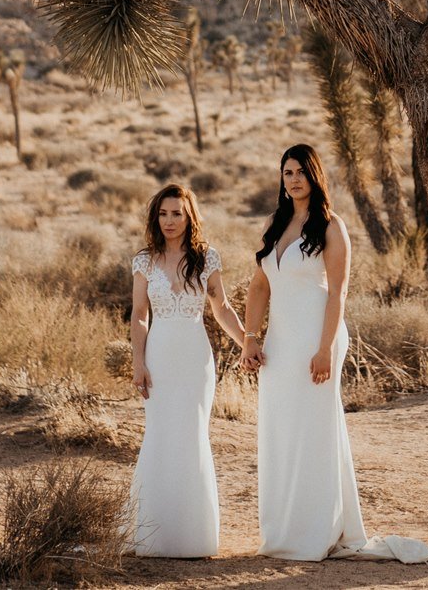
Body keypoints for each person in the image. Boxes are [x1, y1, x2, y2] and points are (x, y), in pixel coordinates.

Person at [242, 143, 372, 560]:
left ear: (314, 175)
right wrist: (250, 337)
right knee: (281, 431)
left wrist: (325, 348)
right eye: (286, 173)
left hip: (318, 338)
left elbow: (338, 293)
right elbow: (260, 286)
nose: (293, 179)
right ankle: (283, 529)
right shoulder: (274, 223)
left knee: (315, 432)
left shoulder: (331, 226)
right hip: (280, 341)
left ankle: (319, 529)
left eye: (300, 171)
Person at [125, 182, 248, 558]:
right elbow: (140, 315)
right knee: (161, 435)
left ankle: (192, 537)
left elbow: (222, 308)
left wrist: (249, 342)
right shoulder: (144, 261)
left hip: (196, 359)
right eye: (163, 213)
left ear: (189, 216)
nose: (169, 220)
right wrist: (139, 361)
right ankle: (153, 535)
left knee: (192, 436)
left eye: (177, 213)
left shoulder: (207, 257)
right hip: (159, 357)